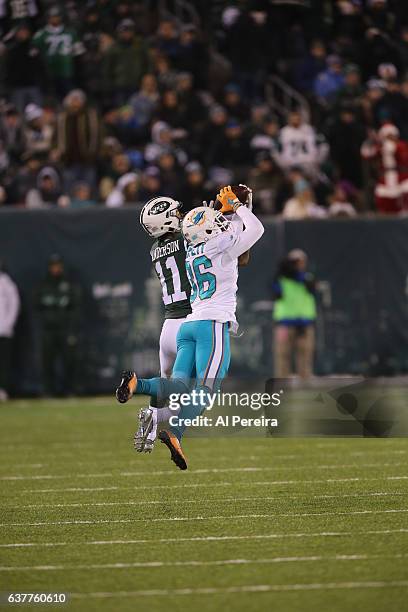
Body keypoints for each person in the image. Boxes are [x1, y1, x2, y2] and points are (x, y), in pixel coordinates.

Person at [116, 185, 264, 470]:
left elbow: (198, 230)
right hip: (204, 321)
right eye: (177, 213)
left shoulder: (161, 249)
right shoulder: (196, 242)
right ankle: (173, 430)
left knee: (177, 389)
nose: (183, 215)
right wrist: (233, 210)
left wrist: (213, 217)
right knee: (204, 391)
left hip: (174, 326)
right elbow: (243, 248)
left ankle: (145, 401)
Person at [134, 196, 192, 452]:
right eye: (176, 213)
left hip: (168, 325)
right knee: (199, 394)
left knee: (164, 382)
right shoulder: (184, 240)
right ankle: (157, 419)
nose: (181, 217)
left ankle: (151, 425)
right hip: (190, 322)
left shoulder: (154, 250)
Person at [35, 254, 82, 396]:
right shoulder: (43, 284)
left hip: (65, 329)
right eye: (53, 266)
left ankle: (70, 390)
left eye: (58, 265)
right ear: (50, 267)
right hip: (48, 330)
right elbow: (36, 306)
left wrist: (72, 327)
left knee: (69, 361)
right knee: (47, 362)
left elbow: (76, 306)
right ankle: (48, 391)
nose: (56, 268)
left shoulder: (69, 284)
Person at [272, 250, 317, 379]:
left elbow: (311, 287)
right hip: (284, 323)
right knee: (282, 356)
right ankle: (282, 384)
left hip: (304, 323)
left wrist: (296, 275)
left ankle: (305, 384)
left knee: (305, 356)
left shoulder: (307, 278)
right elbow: (275, 292)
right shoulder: (280, 279)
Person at [0, 261, 20, 400]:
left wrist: (7, 325)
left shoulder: (5, 282)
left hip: (3, 330)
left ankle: (2, 389)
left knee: (3, 362)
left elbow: (14, 304)